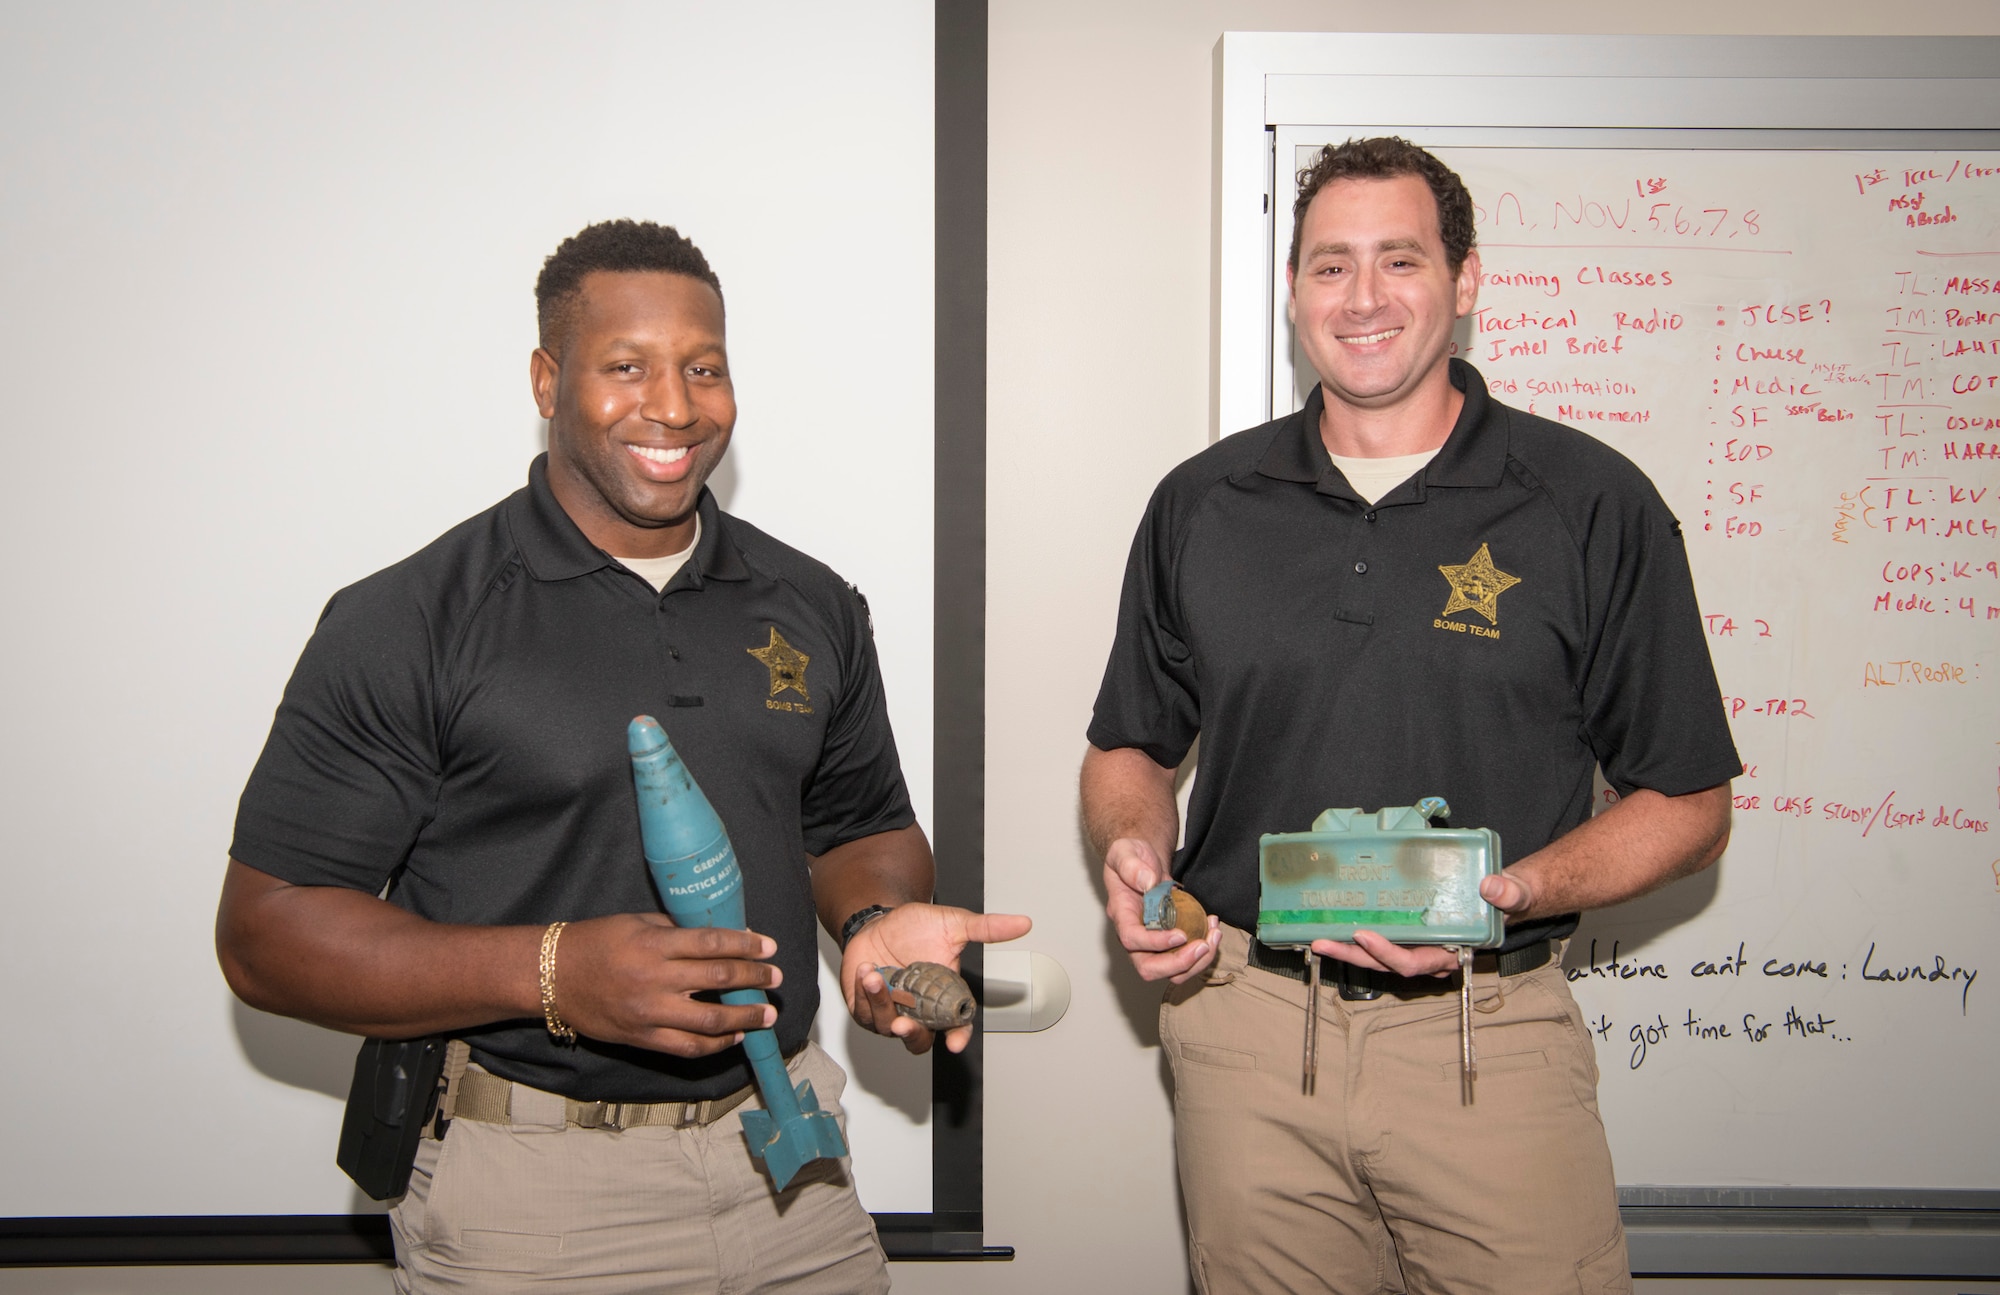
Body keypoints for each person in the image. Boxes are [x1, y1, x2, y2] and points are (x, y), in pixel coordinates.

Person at [216, 219, 1027, 1294]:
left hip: (792, 1165)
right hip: (534, 1193)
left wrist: (878, 924)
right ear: (549, 378)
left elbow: (855, 826)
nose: (676, 405)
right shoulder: (410, 618)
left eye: (703, 367)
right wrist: (554, 972)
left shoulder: (812, 602)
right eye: (626, 366)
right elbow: (266, 936)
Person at [1082, 138, 1740, 1294]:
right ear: (1292, 294)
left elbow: (1686, 799)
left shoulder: (1590, 503)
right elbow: (1130, 743)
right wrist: (1135, 853)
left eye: (1400, 259)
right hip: (1247, 1036)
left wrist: (1511, 893)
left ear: (1465, 281)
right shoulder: (1200, 504)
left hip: (1487, 1038)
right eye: (1330, 266)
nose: (1364, 297)